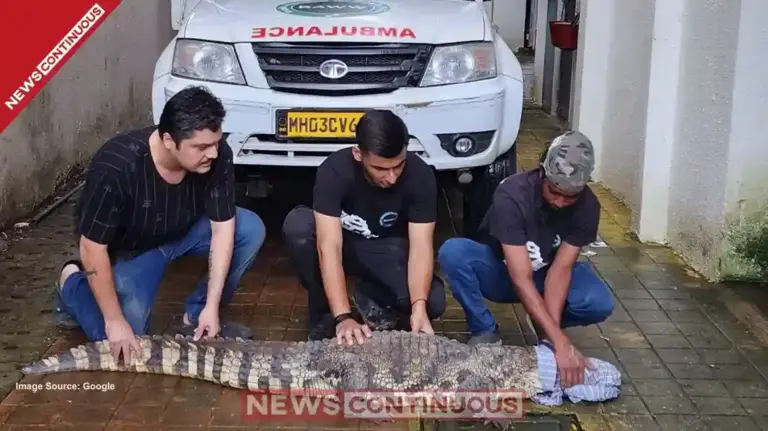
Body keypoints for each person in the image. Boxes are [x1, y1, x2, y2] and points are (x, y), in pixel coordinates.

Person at [53, 85, 266, 364]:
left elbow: (223, 227)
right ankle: (71, 283)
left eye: (215, 142)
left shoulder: (217, 154)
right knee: (124, 345)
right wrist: (115, 322)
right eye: (201, 147)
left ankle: (197, 315)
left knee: (249, 228)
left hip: (184, 231)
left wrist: (212, 306)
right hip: (133, 252)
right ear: (168, 140)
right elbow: (92, 247)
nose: (213, 153)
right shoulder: (117, 167)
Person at [437, 130, 613, 387]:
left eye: (570, 196)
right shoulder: (512, 194)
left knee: (598, 301)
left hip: (546, 274)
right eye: (555, 191)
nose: (562, 202)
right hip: (503, 272)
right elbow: (520, 277)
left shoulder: (588, 207)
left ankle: (542, 324)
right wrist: (561, 343)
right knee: (453, 252)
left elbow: (561, 271)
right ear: (542, 173)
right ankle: (484, 329)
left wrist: (551, 338)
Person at [282, 109, 446, 345]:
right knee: (299, 227)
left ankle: (367, 296)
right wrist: (343, 316)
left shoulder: (421, 176)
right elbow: (328, 246)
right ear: (359, 154)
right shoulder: (334, 170)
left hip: (386, 251)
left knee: (434, 301)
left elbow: (421, 247)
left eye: (398, 166)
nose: (391, 177)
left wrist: (418, 307)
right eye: (380, 169)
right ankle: (325, 314)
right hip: (344, 244)